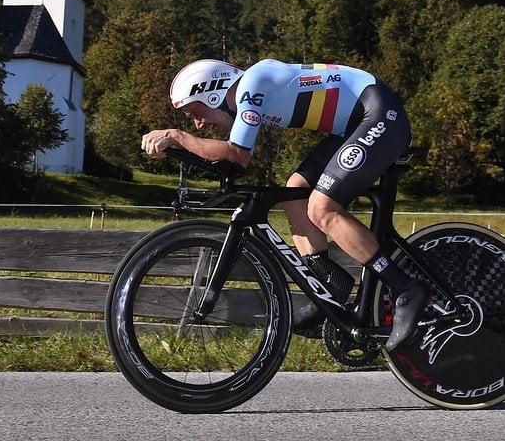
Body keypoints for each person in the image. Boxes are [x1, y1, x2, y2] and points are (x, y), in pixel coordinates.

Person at [141, 58, 430, 347]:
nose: (198, 123)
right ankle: (329, 283)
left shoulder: (252, 84)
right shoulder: (249, 92)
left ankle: (406, 287)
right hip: (356, 124)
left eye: (195, 112)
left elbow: (237, 155)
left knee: (322, 208)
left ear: (213, 94)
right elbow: (234, 166)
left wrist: (176, 136)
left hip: (379, 115)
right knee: (296, 190)